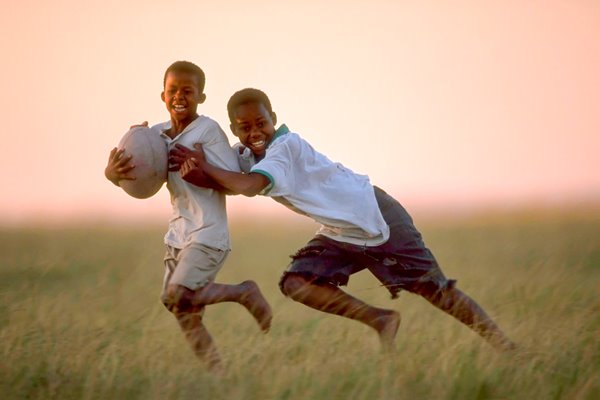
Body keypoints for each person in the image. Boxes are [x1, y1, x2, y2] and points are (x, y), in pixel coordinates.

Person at [178, 87, 517, 352]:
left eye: (261, 123)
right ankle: (381, 320)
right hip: (342, 230)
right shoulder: (249, 155)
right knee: (297, 283)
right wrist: (196, 173)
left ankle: (507, 348)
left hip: (377, 216)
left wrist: (205, 167)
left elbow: (249, 187)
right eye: (245, 127)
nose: (255, 132)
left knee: (436, 291)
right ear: (234, 129)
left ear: (274, 118)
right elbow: (233, 181)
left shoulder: (284, 149)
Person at [104, 64, 272, 372]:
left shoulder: (207, 131)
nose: (179, 97)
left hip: (208, 234)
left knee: (177, 294)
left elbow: (234, 183)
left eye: (188, 91)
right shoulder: (153, 136)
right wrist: (112, 173)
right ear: (163, 95)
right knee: (180, 308)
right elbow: (136, 176)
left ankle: (243, 292)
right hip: (177, 236)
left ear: (201, 96)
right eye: (173, 91)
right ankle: (219, 376)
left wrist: (201, 170)